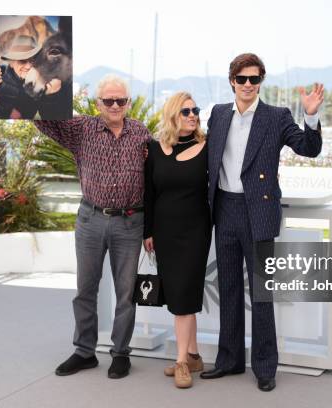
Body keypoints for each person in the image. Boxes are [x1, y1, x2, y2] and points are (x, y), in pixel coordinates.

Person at [0, 71, 152, 379]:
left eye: (121, 100)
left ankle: (121, 353)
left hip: (131, 222)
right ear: (98, 103)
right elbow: (44, 119)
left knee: (126, 292)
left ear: (128, 103)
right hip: (91, 219)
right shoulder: (82, 128)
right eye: (109, 100)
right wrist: (6, 83)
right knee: (85, 289)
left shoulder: (141, 133)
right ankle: (84, 352)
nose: (115, 105)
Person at [200, 53, 324, 392]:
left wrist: (310, 116)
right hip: (223, 209)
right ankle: (228, 360)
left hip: (259, 212)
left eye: (255, 79)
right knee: (227, 289)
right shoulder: (218, 114)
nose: (248, 85)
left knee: (262, 293)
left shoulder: (276, 117)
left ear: (261, 82)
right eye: (242, 79)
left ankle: (266, 367)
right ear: (232, 82)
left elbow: (308, 148)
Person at [143, 92, 210, 389]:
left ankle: (181, 361)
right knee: (180, 297)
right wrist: (148, 232)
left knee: (184, 298)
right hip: (164, 233)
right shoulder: (154, 150)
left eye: (195, 110)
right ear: (173, 115)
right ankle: (193, 355)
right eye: (186, 111)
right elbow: (149, 194)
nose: (193, 115)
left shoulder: (208, 148)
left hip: (195, 232)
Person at [0, 34, 70, 120]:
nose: (28, 66)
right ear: (11, 63)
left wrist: (51, 97)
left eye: (33, 60)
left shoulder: (41, 82)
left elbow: (52, 120)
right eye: (22, 61)